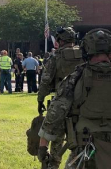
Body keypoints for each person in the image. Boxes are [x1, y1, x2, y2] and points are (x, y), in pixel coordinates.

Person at [38, 28, 111, 169]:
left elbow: (54, 116)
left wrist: (43, 147)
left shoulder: (75, 79)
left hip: (84, 150)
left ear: (86, 51)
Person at [37, 27, 83, 169]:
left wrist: (40, 99)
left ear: (60, 40)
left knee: (56, 137)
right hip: (83, 104)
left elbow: (46, 81)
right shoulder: (84, 55)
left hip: (61, 102)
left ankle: (53, 164)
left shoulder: (56, 57)